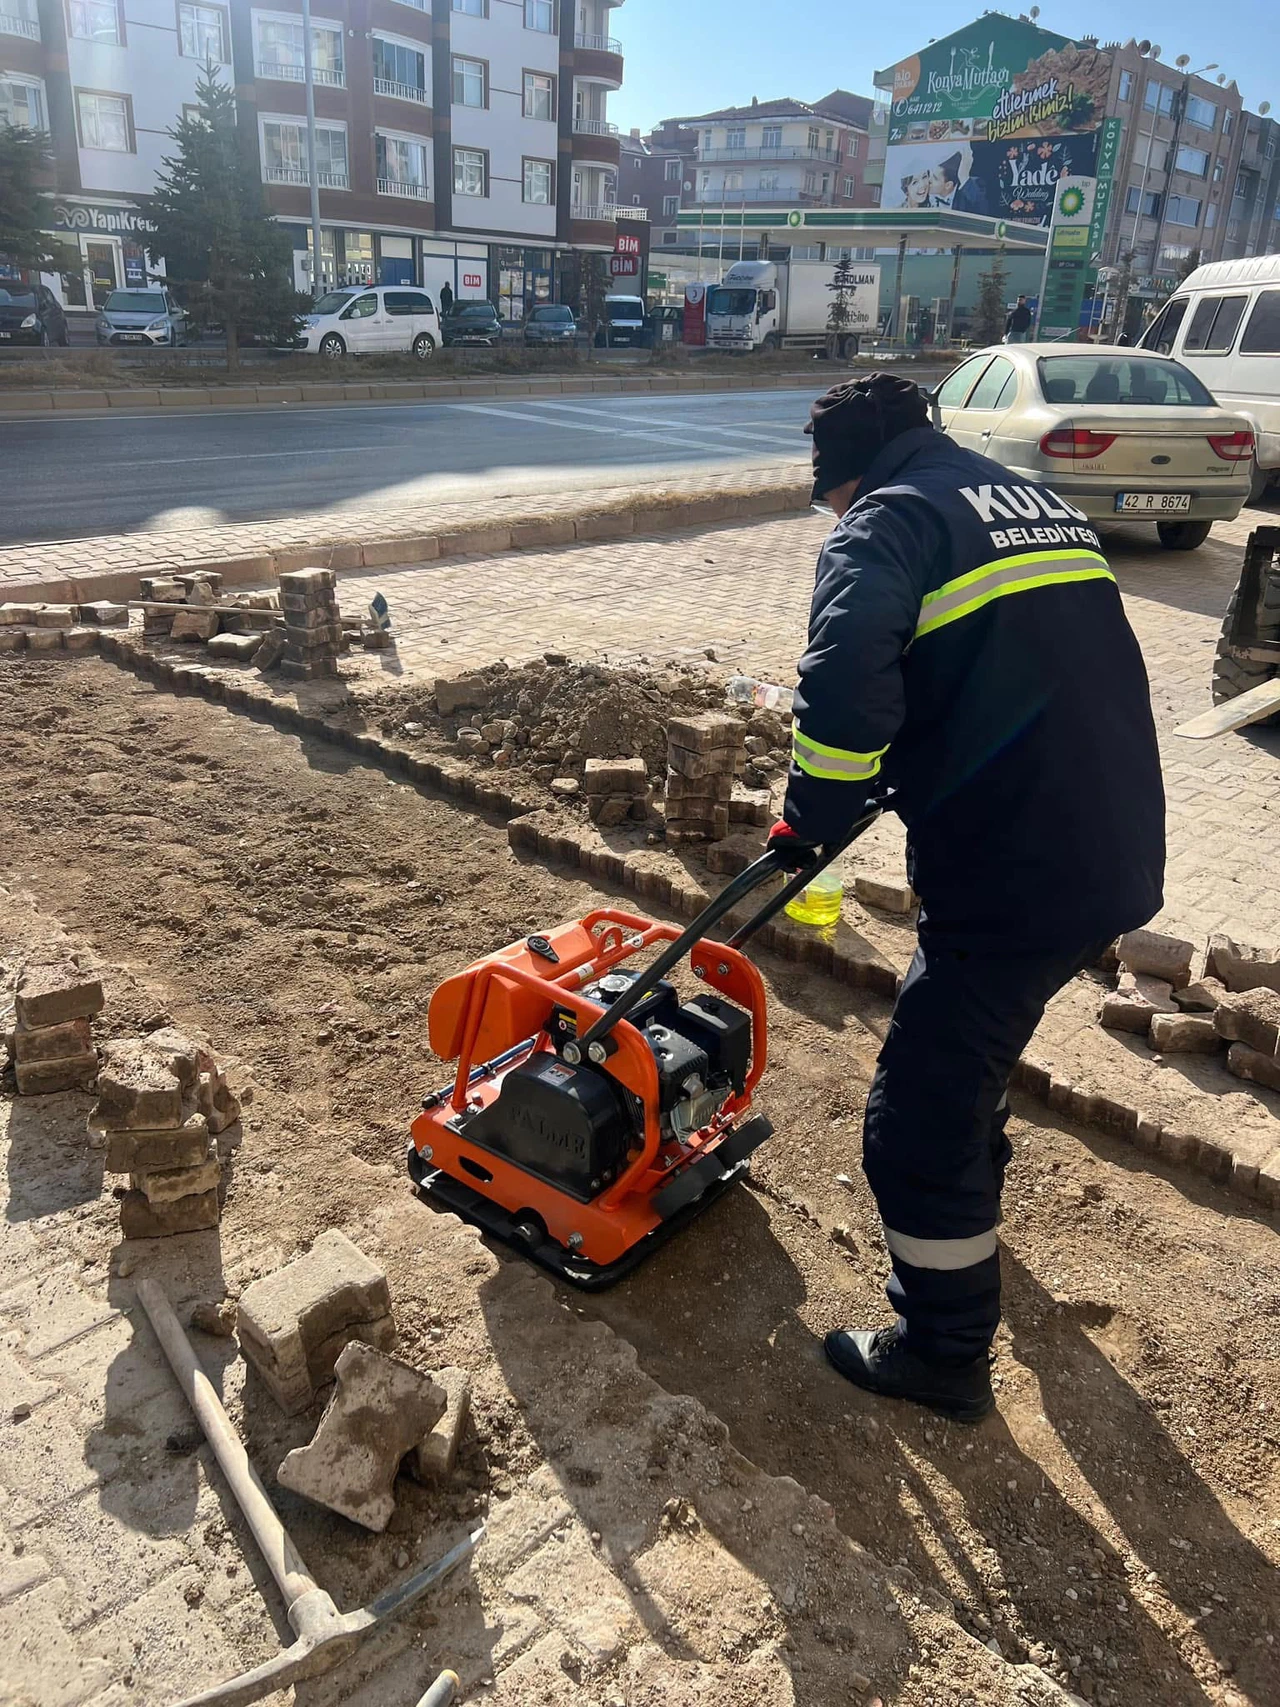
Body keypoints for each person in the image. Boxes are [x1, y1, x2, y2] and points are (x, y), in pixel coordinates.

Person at [768, 374, 1164, 1422]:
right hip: (1110, 842)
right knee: (967, 1035)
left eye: (828, 498)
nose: (833, 516)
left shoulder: (883, 525)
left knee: (915, 1116)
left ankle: (940, 1351)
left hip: (1016, 867)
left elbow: (846, 680)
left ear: (843, 474)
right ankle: (971, 1184)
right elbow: (1006, 662)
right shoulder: (1022, 499)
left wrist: (810, 819)